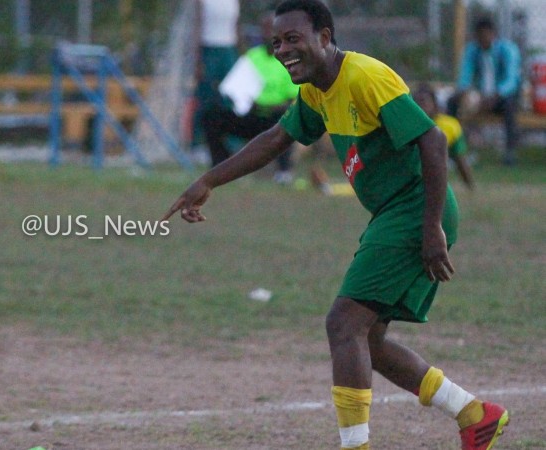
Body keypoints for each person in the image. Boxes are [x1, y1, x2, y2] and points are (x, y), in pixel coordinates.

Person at [162, 1, 509, 449]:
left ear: (325, 37)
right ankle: (475, 415)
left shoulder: (364, 76)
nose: (282, 50)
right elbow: (276, 138)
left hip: (415, 208)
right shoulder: (315, 90)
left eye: (293, 39)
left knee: (344, 324)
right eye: (276, 43)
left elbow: (433, 140)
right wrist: (208, 180)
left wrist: (431, 228)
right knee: (368, 341)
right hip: (393, 213)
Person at [206, 12, 300, 184]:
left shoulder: (289, 60)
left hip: (274, 118)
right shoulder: (252, 56)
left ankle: (284, 171)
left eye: (272, 29)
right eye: (264, 29)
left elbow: (291, 100)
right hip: (252, 115)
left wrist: (268, 106)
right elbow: (239, 86)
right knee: (211, 116)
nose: (267, 34)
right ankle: (223, 166)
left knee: (288, 121)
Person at [447, 16, 522, 167]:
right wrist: (464, 91)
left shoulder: (507, 49)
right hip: (480, 97)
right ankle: (452, 148)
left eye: (486, 35)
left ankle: (509, 152)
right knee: (452, 101)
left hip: (502, 97)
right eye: (480, 36)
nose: (483, 39)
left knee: (509, 105)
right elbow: (465, 75)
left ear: (494, 34)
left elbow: (511, 80)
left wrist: (496, 95)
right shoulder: (473, 50)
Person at [193, 0, 240, 163]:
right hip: (209, 47)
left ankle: (231, 142)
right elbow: (197, 26)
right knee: (207, 97)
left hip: (228, 48)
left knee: (230, 97)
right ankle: (199, 144)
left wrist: (239, 53)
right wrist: (198, 59)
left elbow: (236, 25)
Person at [414, 83, 475, 190]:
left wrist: (470, 185)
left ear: (434, 104)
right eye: (416, 103)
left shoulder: (449, 125)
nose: (420, 107)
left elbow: (459, 158)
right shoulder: (407, 125)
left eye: (423, 102)